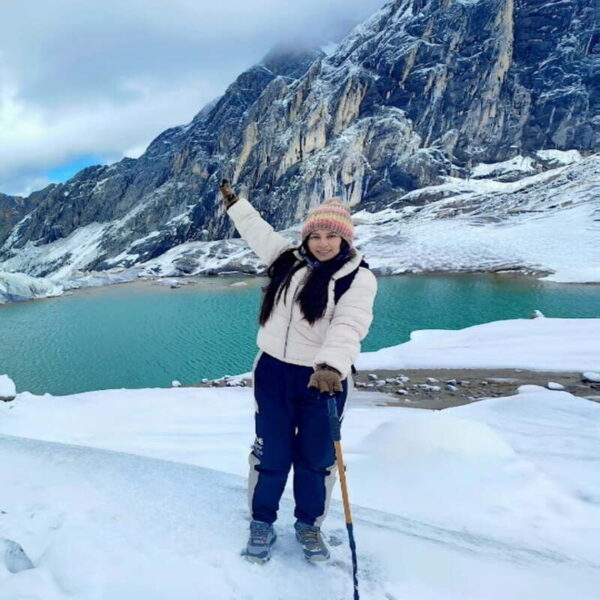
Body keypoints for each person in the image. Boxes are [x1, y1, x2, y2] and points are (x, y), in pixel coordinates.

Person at [219, 180, 377, 564]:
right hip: (273, 371)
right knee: (270, 453)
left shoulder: (358, 278)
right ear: (306, 237)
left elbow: (349, 325)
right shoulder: (288, 261)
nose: (323, 243)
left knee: (315, 458)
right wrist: (237, 206)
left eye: (331, 237)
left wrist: (330, 366)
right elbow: (259, 233)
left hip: (323, 380)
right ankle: (262, 521)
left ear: (345, 240)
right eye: (316, 235)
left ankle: (308, 524)